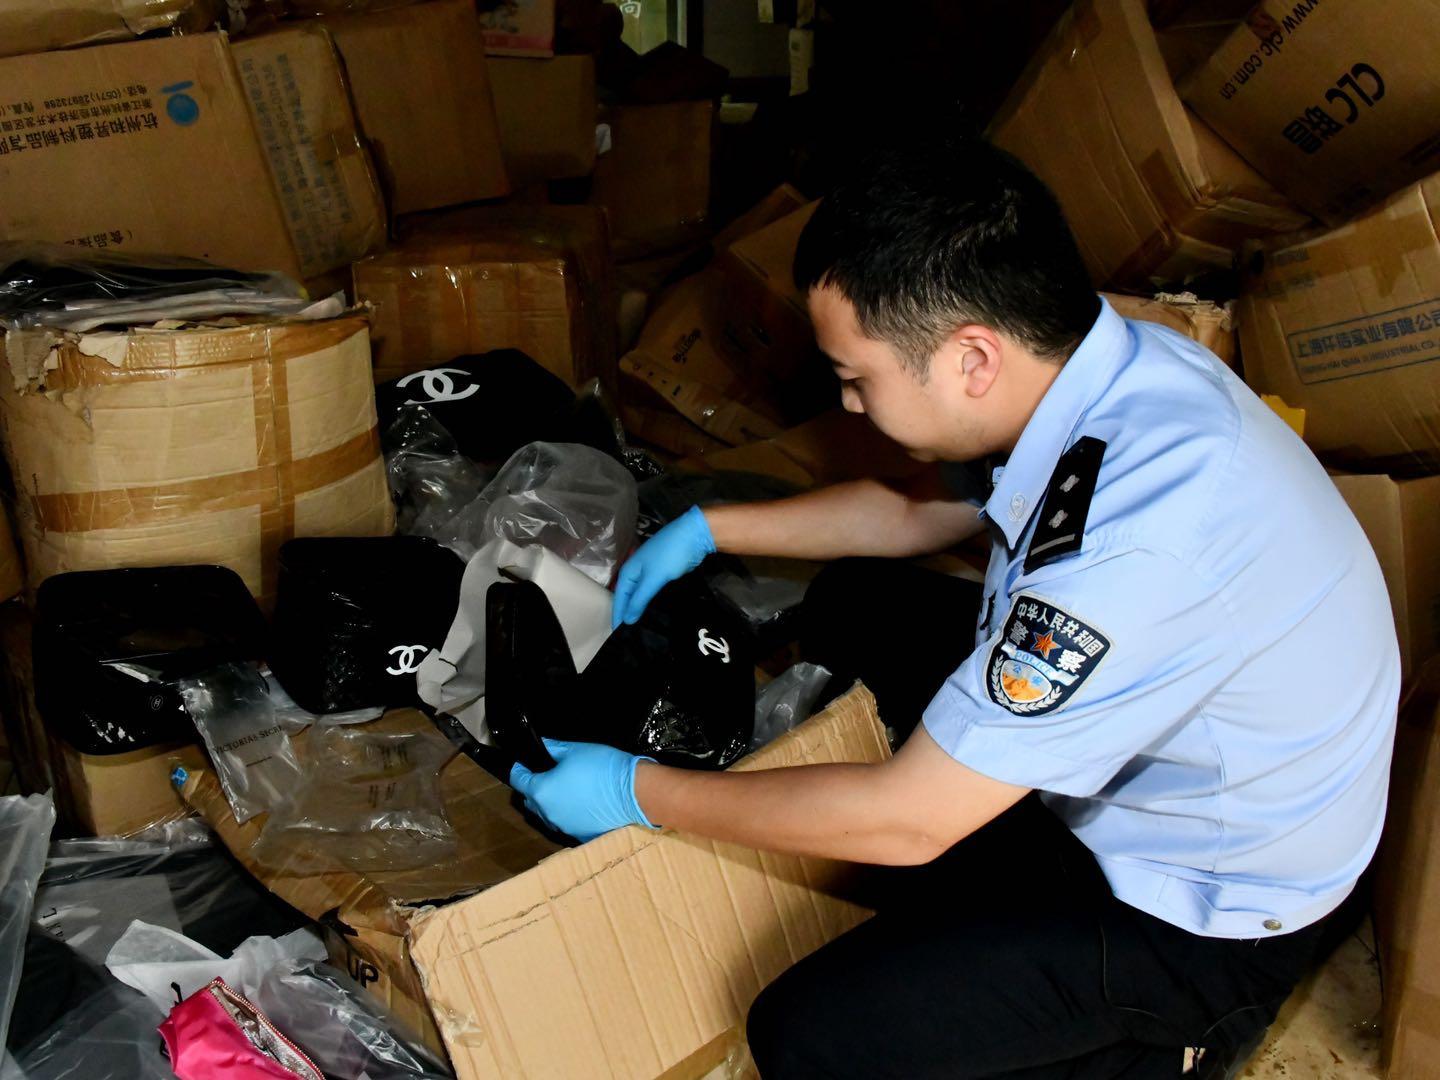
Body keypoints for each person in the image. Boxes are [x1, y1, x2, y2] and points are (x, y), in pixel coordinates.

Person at [507, 135, 1399, 1078]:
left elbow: (910, 819)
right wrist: (711, 529)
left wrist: (639, 792)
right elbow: (917, 512)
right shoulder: (1105, 368)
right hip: (1187, 771)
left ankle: (1171, 1043)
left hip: (1203, 910)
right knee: (855, 603)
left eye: (856, 378)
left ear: (973, 358)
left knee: (808, 1034)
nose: (849, 406)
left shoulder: (1134, 547)